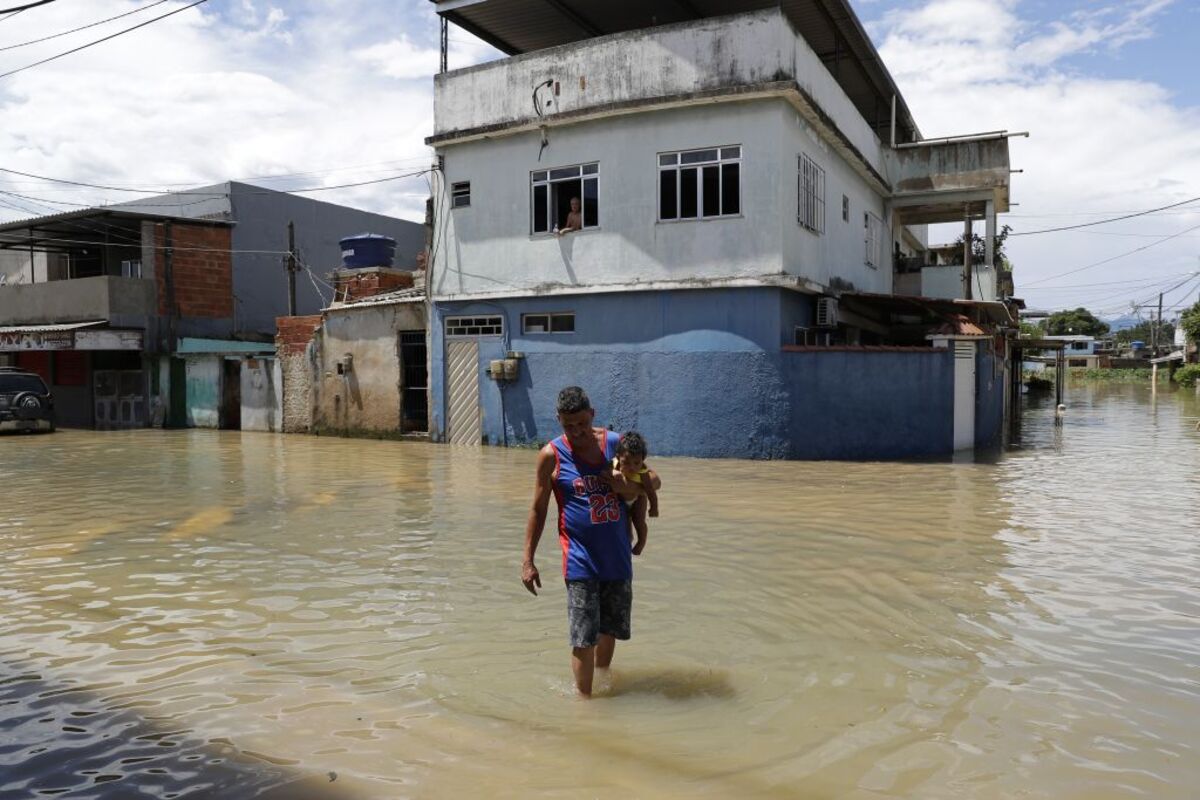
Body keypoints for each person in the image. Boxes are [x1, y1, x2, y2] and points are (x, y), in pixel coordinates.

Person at [521, 386, 662, 696]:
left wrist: (623, 483)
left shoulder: (614, 444)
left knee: (609, 630)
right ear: (558, 419)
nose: (577, 431)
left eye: (582, 423)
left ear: (593, 415)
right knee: (583, 638)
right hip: (579, 559)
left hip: (617, 556)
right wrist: (528, 561)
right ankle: (585, 704)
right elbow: (538, 508)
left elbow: (653, 480)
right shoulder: (551, 455)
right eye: (568, 425)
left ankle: (604, 685)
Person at [602, 431, 659, 557]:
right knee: (625, 523)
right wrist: (611, 472)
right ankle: (628, 541)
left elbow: (650, 490)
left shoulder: (643, 471)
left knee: (639, 521)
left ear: (642, 460)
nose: (632, 467)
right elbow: (603, 473)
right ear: (618, 457)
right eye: (626, 462)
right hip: (620, 500)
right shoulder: (613, 463)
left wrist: (654, 507)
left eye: (636, 463)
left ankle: (641, 542)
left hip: (638, 499)